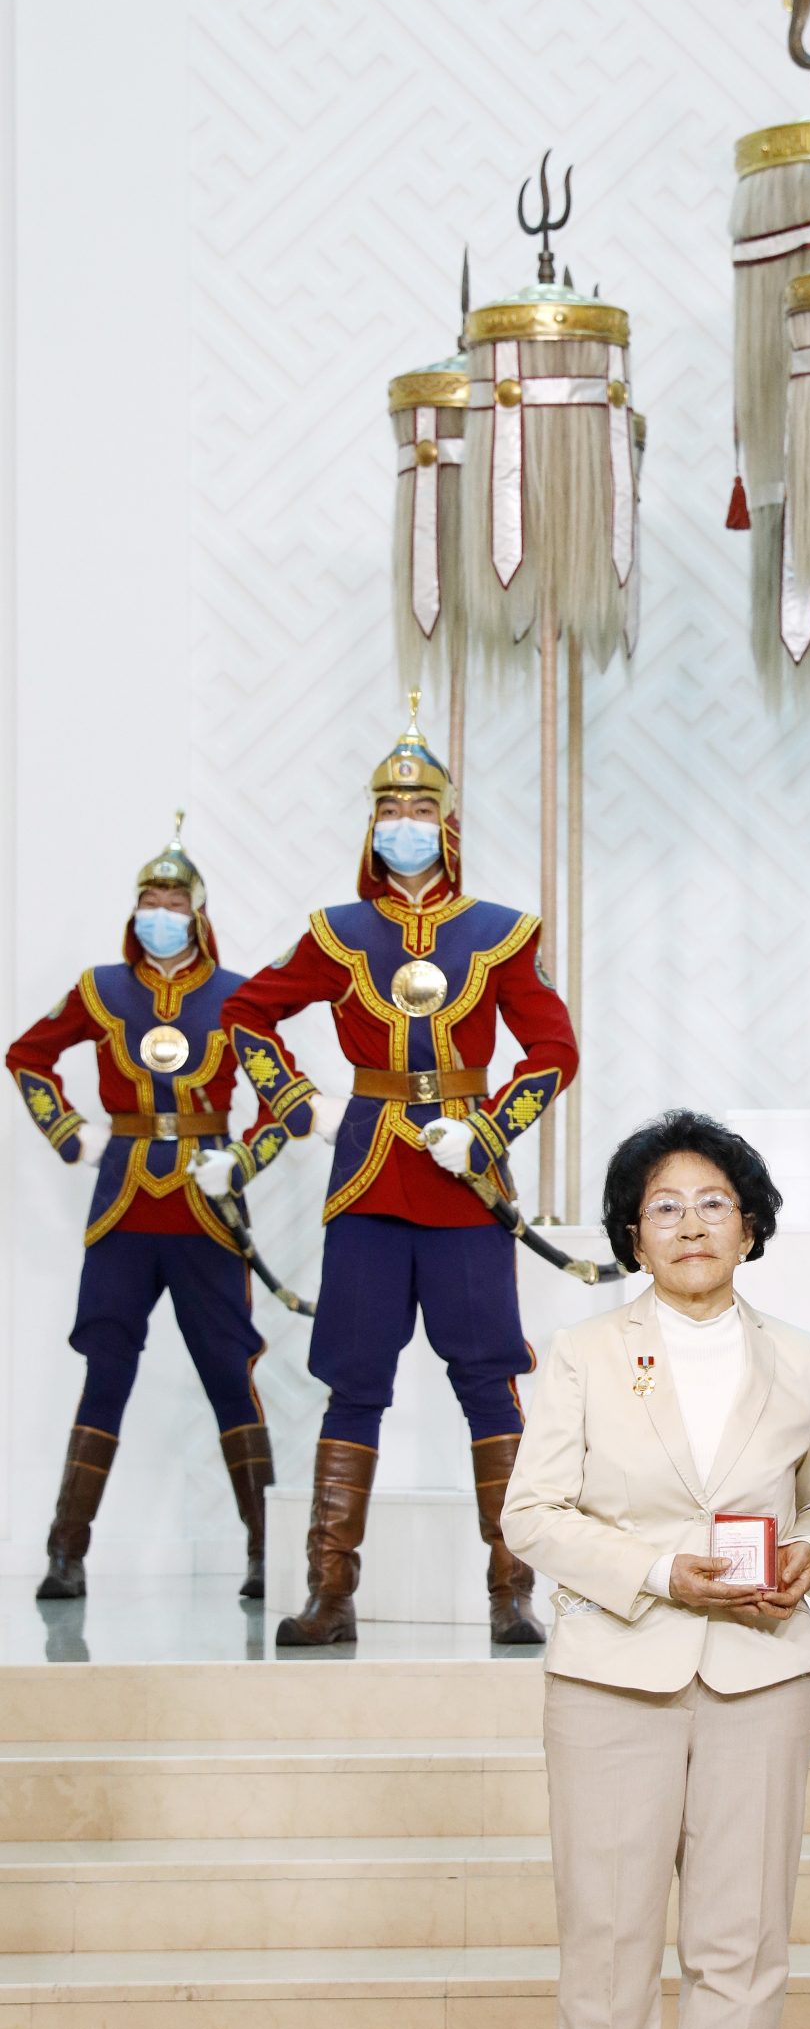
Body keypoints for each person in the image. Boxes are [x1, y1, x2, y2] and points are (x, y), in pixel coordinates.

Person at [502, 1113, 810, 2029]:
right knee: (608, 1931)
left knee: (740, 1936)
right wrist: (661, 1572)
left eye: (714, 1203)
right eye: (664, 1206)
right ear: (632, 1234)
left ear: (750, 1225)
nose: (691, 1223)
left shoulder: (798, 1355)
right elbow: (530, 1514)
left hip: (760, 1668)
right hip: (614, 1669)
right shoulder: (584, 1352)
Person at [221, 698, 577, 1647]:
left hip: (463, 1184)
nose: (404, 823)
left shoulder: (500, 931)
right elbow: (246, 1013)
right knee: (354, 1383)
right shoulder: (336, 931)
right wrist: (296, 1101)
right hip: (368, 1179)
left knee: (487, 1382)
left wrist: (488, 1131)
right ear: (371, 823)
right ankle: (329, 1594)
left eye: (420, 808)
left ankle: (511, 1592)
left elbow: (554, 1051)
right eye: (389, 808)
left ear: (446, 823)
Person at [7, 819, 288, 1605]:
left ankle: (265, 1552)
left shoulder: (238, 997)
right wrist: (69, 1133)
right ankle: (66, 1553)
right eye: (149, 901)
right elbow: (27, 1056)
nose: (160, 914)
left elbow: (284, 1100)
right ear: (134, 911)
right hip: (124, 1204)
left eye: (174, 902)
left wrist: (243, 1159)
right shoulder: (100, 989)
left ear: (198, 913)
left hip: (205, 1203)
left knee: (229, 1371)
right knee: (106, 1369)